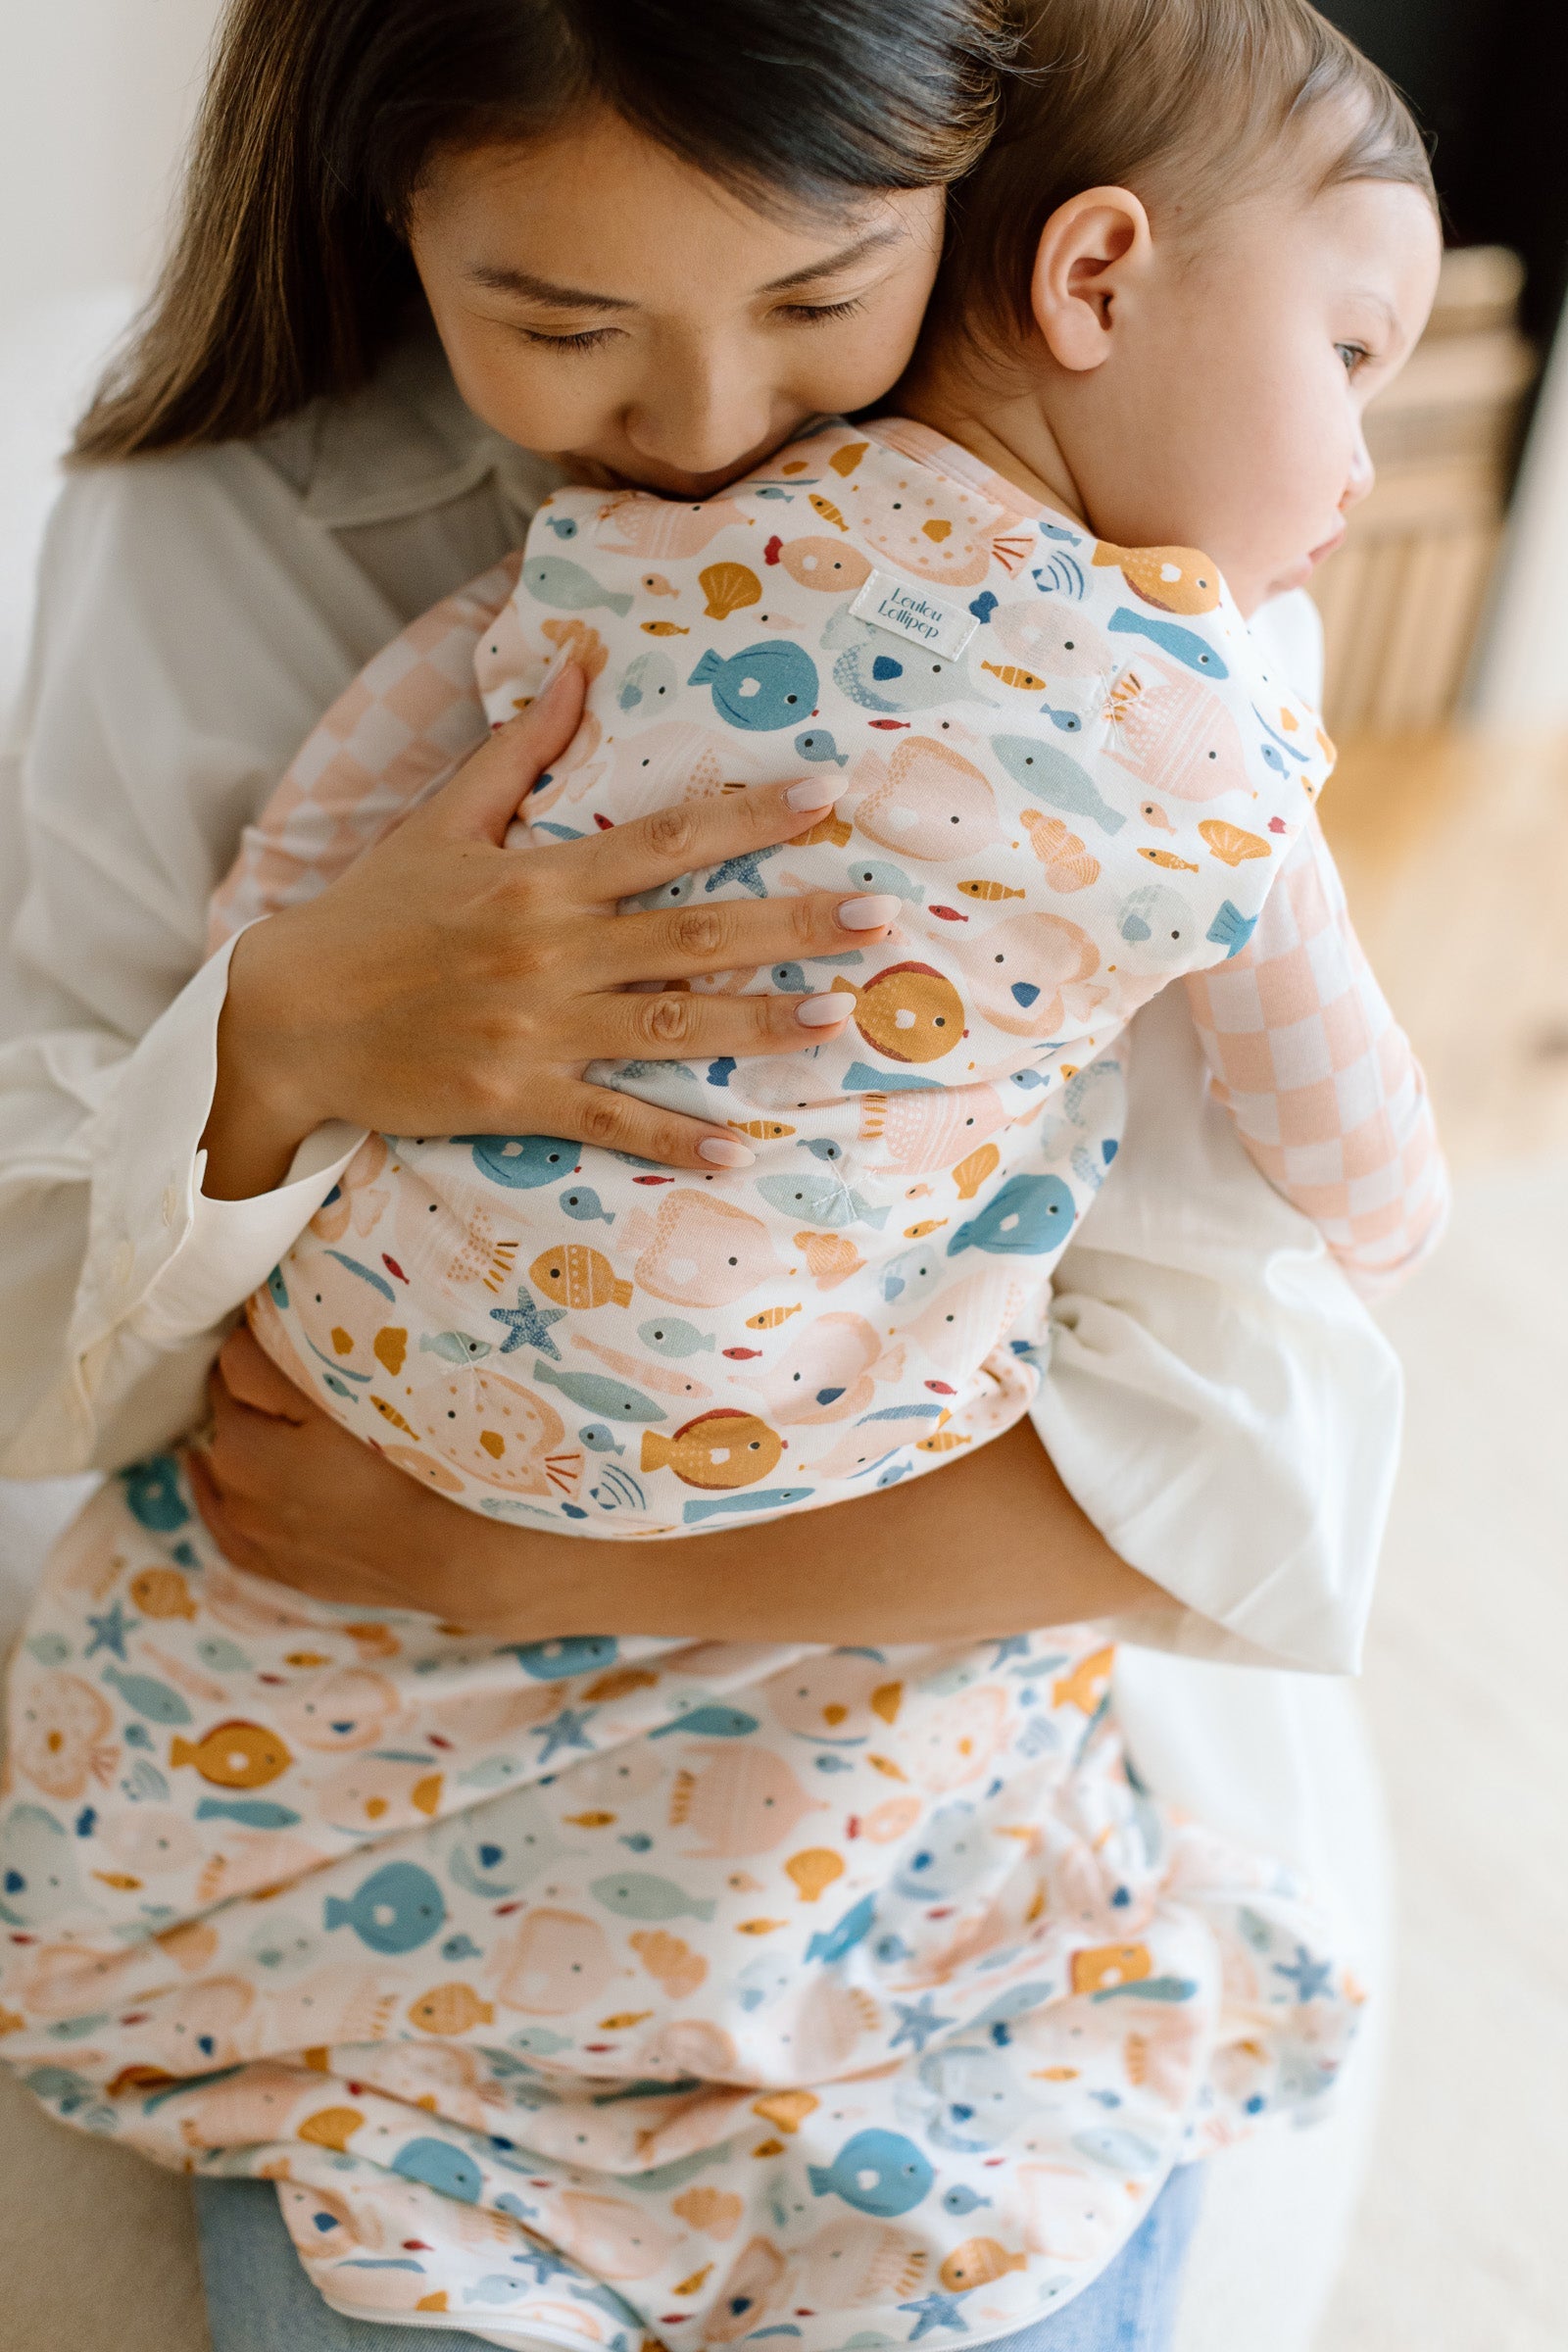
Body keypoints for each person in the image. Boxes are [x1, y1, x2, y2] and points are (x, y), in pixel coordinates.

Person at [0, 2, 1434, 2344]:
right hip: (364, 1810)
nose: (701, 426)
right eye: (561, 322)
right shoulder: (217, 535)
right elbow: (42, 1319)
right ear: (386, 203)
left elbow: (1251, 1452)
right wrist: (289, 1028)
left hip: (890, 1770)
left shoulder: (1122, 575)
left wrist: (510, 1557)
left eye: (814, 294)